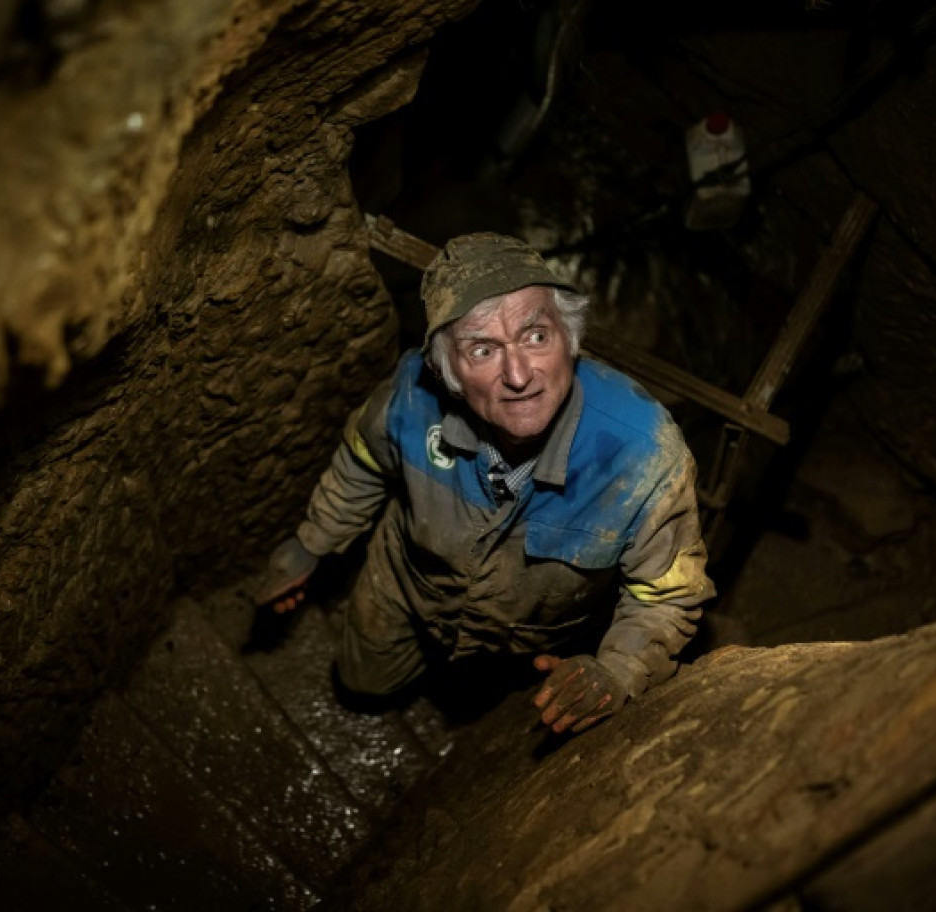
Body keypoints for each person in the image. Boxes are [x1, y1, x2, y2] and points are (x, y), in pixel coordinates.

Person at [255, 232, 715, 736]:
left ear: (570, 338)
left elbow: (666, 595)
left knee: (481, 698)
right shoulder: (413, 395)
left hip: (524, 638)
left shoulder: (644, 454)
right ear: (447, 370)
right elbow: (363, 462)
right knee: (362, 683)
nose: (519, 375)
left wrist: (619, 669)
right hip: (407, 587)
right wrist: (313, 542)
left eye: (536, 336)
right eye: (482, 349)